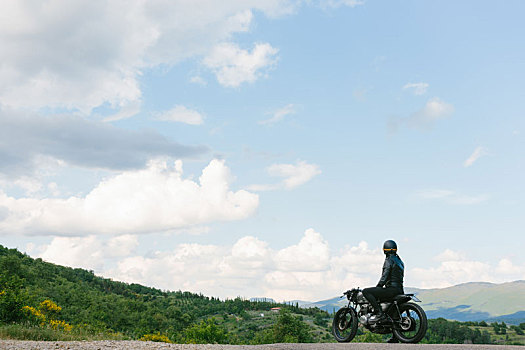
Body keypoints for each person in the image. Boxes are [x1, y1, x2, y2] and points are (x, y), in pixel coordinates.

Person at [362, 239, 404, 326]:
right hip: (400, 289)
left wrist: (379, 286)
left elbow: (385, 275)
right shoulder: (400, 261)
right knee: (392, 314)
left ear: (385, 250)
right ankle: (394, 338)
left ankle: (379, 314)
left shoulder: (389, 260)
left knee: (366, 291)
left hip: (391, 289)